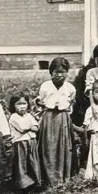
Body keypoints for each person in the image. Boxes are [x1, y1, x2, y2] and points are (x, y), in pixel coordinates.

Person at [37, 57, 76, 187]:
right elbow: (40, 102)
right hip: (49, 118)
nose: (59, 75)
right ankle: (49, 179)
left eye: (63, 72)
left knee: (63, 146)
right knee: (49, 147)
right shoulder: (45, 86)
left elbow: (71, 105)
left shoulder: (70, 88)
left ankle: (63, 177)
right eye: (56, 72)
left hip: (63, 119)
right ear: (51, 72)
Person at [7, 95, 42, 194]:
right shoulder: (13, 117)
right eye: (19, 104)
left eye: (24, 103)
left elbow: (36, 127)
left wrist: (31, 127)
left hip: (31, 142)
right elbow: (22, 128)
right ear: (13, 106)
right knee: (21, 164)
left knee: (33, 162)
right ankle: (24, 187)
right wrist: (30, 127)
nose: (22, 107)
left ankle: (35, 184)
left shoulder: (29, 115)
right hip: (20, 143)